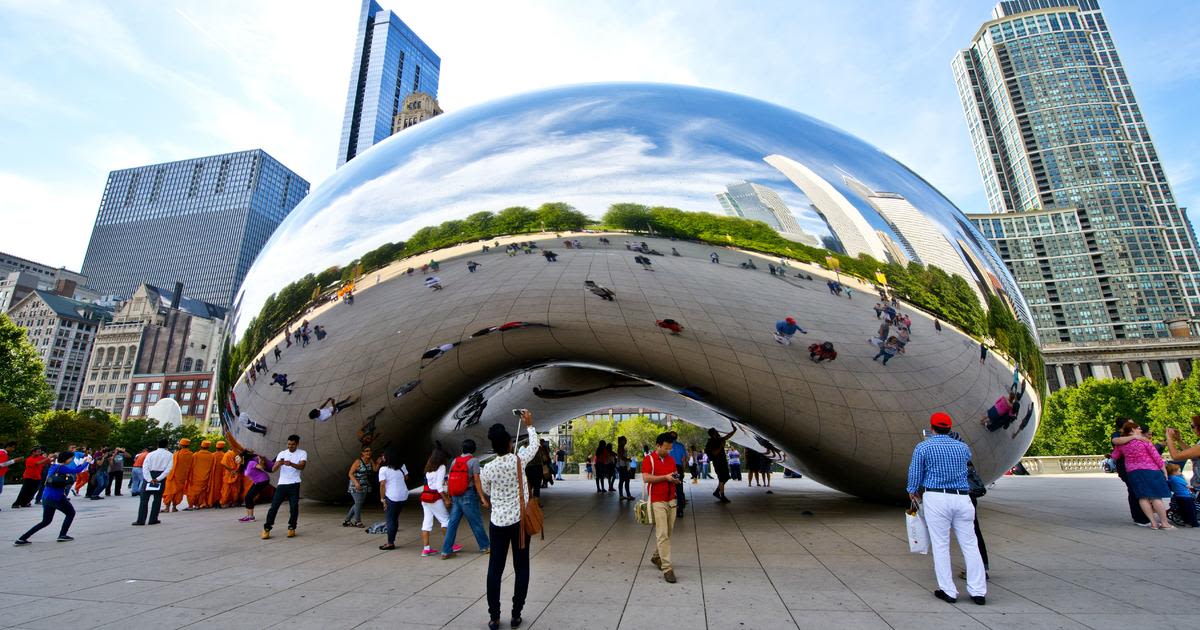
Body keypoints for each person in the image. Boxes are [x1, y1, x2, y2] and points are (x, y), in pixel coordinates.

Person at [907, 412, 986, 606]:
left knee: (941, 545)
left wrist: (912, 490)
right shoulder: (963, 448)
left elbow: (915, 472)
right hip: (962, 498)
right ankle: (978, 591)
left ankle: (948, 590)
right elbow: (967, 462)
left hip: (936, 497)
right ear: (950, 428)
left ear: (932, 428)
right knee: (970, 544)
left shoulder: (924, 446)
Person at [480, 411, 540, 630]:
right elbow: (534, 447)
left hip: (498, 523)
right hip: (520, 523)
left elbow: (486, 490)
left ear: (493, 447)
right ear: (508, 442)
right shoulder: (518, 460)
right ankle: (516, 614)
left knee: (494, 570)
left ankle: (494, 617)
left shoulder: (488, 468)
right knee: (521, 566)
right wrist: (530, 425)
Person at [13, 451, 91, 545]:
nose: (71, 460)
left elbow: (74, 469)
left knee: (45, 521)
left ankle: (22, 539)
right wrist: (87, 462)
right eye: (71, 458)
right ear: (66, 459)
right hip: (57, 497)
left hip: (46, 497)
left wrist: (82, 463)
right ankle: (62, 535)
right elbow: (76, 471)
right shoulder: (62, 468)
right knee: (71, 513)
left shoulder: (54, 466)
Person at [1110, 421, 1173, 529]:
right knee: (1155, 497)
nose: (1140, 430)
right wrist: (1164, 469)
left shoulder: (1122, 444)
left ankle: (1153, 523)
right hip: (1150, 470)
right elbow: (1156, 456)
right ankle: (1164, 523)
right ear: (1132, 430)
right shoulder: (1144, 441)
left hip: (1133, 472)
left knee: (1142, 497)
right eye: (1138, 428)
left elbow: (1114, 456)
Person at [441, 438, 490, 558]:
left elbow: (450, 478)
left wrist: (449, 495)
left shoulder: (455, 461)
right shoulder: (474, 461)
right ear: (473, 449)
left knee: (452, 524)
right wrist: (482, 497)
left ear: (462, 449)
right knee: (476, 522)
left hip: (456, 496)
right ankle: (485, 546)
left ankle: (446, 551)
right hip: (468, 495)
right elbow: (477, 480)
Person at [643, 432, 680, 583]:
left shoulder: (671, 459)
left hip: (671, 499)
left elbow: (674, 474)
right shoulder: (649, 459)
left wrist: (675, 479)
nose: (668, 451)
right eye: (666, 448)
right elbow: (646, 478)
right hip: (657, 500)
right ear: (658, 446)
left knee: (668, 533)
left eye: (670, 448)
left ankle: (656, 557)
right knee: (663, 534)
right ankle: (667, 568)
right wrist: (665, 478)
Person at [262, 434, 307, 539]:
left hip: (294, 484)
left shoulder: (302, 453)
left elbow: (302, 466)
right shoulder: (282, 453)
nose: (290, 446)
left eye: (293, 444)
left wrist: (291, 464)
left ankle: (292, 528)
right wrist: (278, 464)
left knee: (294, 507)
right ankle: (267, 528)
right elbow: (273, 469)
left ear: (297, 444)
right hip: (282, 484)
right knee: (274, 507)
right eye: (289, 444)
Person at [419, 444, 457, 557]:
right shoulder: (441, 467)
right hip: (434, 498)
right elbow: (439, 487)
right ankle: (449, 545)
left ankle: (426, 549)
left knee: (426, 523)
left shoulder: (428, 466)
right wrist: (446, 499)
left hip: (425, 498)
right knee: (446, 520)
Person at [133, 438, 174, 526]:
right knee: (157, 499)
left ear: (157, 445)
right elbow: (168, 469)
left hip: (149, 475)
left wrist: (149, 479)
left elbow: (145, 467)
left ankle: (141, 520)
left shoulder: (150, 454)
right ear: (167, 445)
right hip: (160, 477)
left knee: (144, 500)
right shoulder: (170, 455)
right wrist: (158, 479)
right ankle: (153, 519)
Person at [377, 449, 409, 550]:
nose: (382, 457)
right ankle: (392, 540)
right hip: (403, 496)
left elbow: (382, 484)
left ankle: (390, 543)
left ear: (387, 458)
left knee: (390, 519)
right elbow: (406, 477)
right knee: (395, 518)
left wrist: (382, 499)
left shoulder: (383, 469)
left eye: (383, 456)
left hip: (392, 497)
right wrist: (397, 479)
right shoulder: (402, 466)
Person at [343, 445, 374, 528]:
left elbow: (374, 469)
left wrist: (379, 461)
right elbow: (350, 473)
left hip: (364, 485)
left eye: (370, 451)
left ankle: (347, 521)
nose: (368, 452)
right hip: (355, 485)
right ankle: (358, 521)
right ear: (362, 453)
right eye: (366, 451)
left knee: (358, 503)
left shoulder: (370, 460)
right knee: (358, 503)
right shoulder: (358, 461)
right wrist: (356, 483)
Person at [706, 426, 737, 503]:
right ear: (713, 434)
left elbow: (727, 437)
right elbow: (715, 453)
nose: (718, 432)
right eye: (716, 431)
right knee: (722, 478)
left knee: (726, 477)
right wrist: (721, 446)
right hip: (718, 463)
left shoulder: (719, 440)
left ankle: (717, 492)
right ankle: (722, 495)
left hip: (723, 462)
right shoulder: (711, 443)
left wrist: (734, 430)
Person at [240, 451, 273, 522]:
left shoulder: (251, 463)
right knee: (248, 497)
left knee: (249, 497)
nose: (236, 459)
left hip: (263, 480)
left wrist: (261, 461)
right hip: (257, 482)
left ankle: (251, 517)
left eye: (237, 458)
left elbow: (262, 467)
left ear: (243, 458)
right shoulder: (245, 466)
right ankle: (249, 516)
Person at [163, 439, 194, 512]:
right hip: (183, 476)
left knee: (170, 491)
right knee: (179, 491)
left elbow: (172, 464)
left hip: (173, 475)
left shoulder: (177, 453)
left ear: (181, 445)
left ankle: (167, 507)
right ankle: (174, 507)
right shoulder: (191, 454)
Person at [186, 441, 216, 510]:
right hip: (206, 477)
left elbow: (191, 466)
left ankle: (190, 506)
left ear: (201, 446)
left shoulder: (196, 455)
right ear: (208, 447)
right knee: (202, 492)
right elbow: (212, 467)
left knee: (192, 492)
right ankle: (198, 505)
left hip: (195, 477)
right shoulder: (212, 456)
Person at [1165, 463, 1198, 527]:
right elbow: (1187, 485)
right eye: (1179, 471)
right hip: (1186, 496)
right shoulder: (1177, 478)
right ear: (1174, 472)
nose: (1180, 472)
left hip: (1178, 496)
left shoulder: (1170, 478)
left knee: (1183, 510)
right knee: (1191, 510)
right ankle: (1194, 523)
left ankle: (1185, 521)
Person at [668, 431, 687, 517]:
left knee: (667, 488)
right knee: (679, 488)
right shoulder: (681, 446)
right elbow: (683, 459)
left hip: (668, 468)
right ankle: (680, 510)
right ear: (676, 437)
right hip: (677, 469)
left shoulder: (666, 446)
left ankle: (667, 509)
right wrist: (682, 470)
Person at [616, 436, 633, 500]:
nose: (626, 440)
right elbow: (621, 457)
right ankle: (628, 495)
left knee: (622, 481)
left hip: (621, 466)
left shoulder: (621, 447)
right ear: (622, 441)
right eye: (625, 440)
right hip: (622, 466)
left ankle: (621, 495)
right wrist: (628, 459)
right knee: (626, 481)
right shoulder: (621, 448)